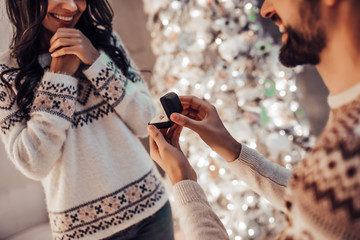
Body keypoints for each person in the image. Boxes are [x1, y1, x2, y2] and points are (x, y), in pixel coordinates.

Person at [147, 0, 360, 239]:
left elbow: (324, 203)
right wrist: (232, 149)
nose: (266, 9)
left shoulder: (346, 154)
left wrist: (183, 182)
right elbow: (317, 200)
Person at [0, 0, 174, 239]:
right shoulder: (7, 74)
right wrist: (59, 77)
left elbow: (146, 119)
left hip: (152, 209)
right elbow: (33, 163)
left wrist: (95, 61)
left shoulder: (106, 42)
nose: (72, 6)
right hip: (84, 232)